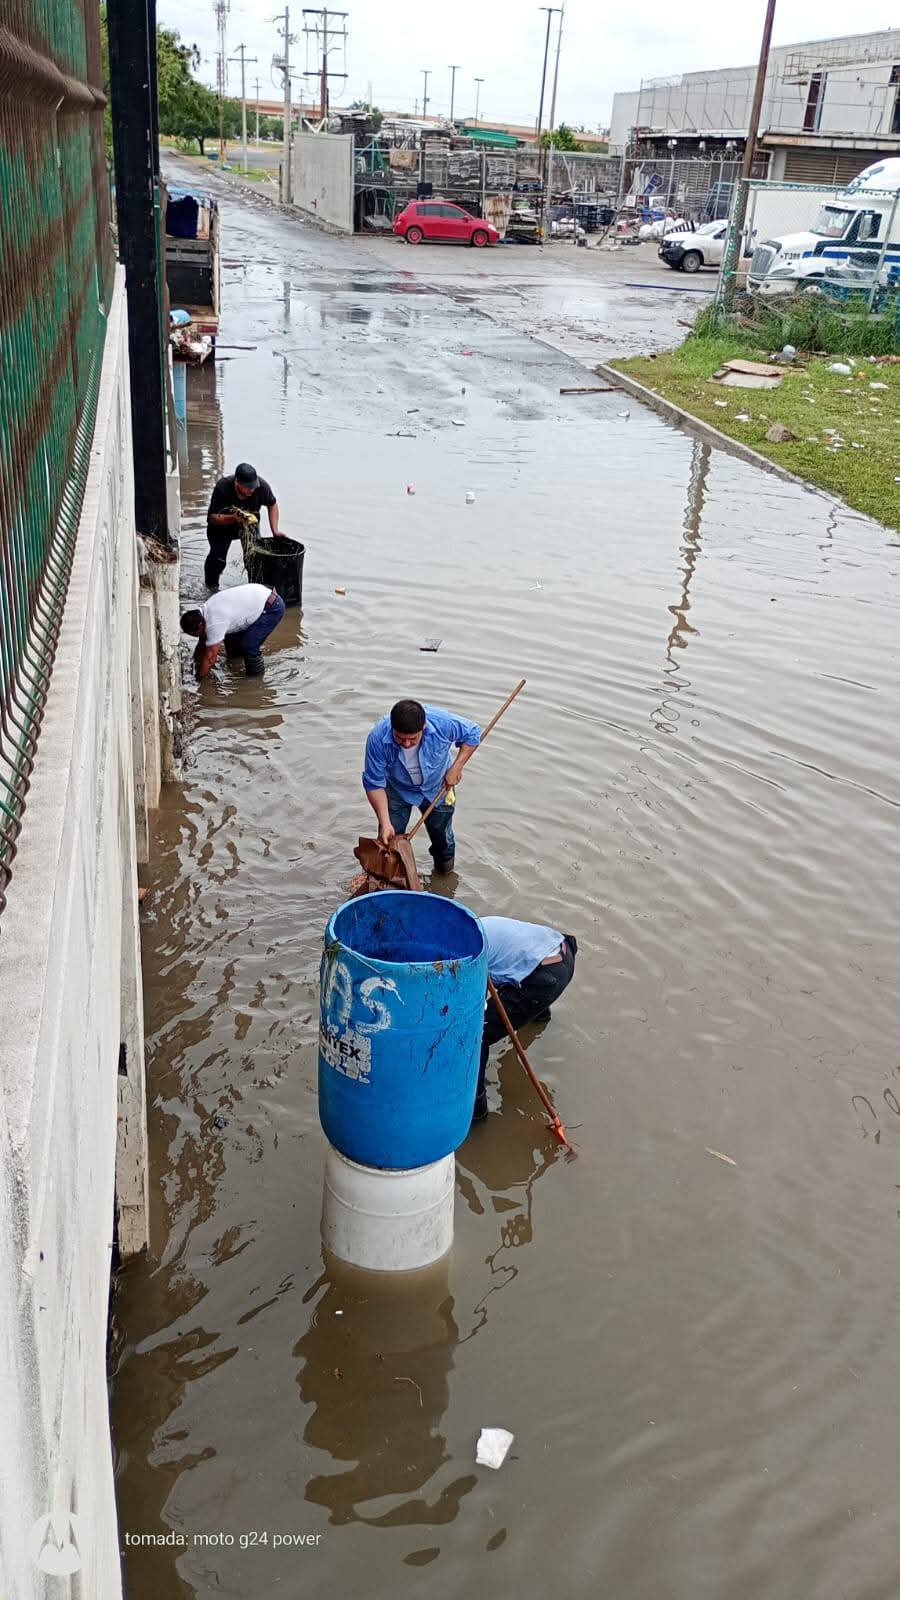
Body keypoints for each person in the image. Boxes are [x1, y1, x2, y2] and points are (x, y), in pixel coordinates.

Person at [472, 917, 578, 1123]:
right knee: (513, 977)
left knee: (478, 1035)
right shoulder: (479, 925)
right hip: (562, 952)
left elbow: (474, 1007)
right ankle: (539, 1019)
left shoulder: (466, 956)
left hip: (544, 978)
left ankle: (476, 1110)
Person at [362, 699, 481, 873]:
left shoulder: (442, 723)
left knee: (443, 838)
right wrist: (385, 822)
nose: (407, 744)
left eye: (413, 739)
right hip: (397, 791)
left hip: (439, 788)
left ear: (423, 727)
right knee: (388, 840)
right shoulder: (377, 738)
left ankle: (444, 874)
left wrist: (457, 766)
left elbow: (473, 733)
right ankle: (386, 878)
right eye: (400, 738)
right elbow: (374, 783)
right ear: (392, 728)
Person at [180, 582, 285, 679]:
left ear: (200, 625)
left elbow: (210, 658)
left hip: (272, 607)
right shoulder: (205, 611)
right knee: (231, 644)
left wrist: (197, 680)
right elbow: (202, 643)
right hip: (256, 599)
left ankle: (255, 681)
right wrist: (193, 663)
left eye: (196, 634)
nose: (198, 636)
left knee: (249, 645)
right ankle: (237, 665)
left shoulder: (215, 622)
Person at [205, 462, 281, 589]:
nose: (251, 490)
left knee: (254, 558)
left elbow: (272, 504)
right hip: (222, 527)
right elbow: (212, 518)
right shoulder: (223, 487)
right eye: (248, 487)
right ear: (237, 482)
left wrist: (275, 530)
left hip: (249, 526)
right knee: (218, 559)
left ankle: (255, 588)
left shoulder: (262, 487)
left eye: (253, 486)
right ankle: (210, 588)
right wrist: (234, 518)